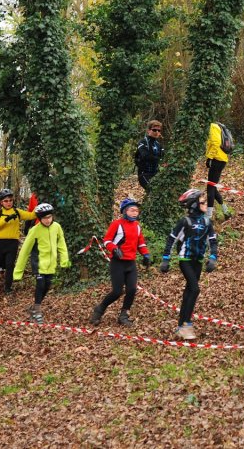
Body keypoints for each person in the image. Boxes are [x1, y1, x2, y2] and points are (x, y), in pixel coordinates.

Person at [159, 189, 218, 340]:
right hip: (185, 260)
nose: (206, 204)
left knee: (189, 292)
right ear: (194, 205)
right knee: (195, 289)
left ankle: (180, 326)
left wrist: (212, 258)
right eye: (203, 202)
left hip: (198, 261)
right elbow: (171, 239)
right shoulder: (185, 221)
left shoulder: (207, 222)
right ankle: (187, 324)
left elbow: (213, 240)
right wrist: (166, 259)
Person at [89, 198, 152, 327]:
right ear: (124, 211)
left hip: (131, 263)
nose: (135, 213)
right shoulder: (117, 224)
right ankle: (99, 309)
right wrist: (114, 248)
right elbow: (107, 240)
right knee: (117, 291)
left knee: (132, 289)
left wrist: (146, 255)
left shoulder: (137, 226)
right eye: (132, 210)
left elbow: (141, 243)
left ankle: (124, 315)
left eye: (136, 210)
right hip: (117, 263)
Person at [13, 203, 70, 324]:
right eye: (44, 218)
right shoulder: (34, 230)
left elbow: (62, 244)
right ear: (39, 219)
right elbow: (24, 251)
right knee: (40, 284)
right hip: (38, 263)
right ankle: (37, 311)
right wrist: (18, 272)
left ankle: (34, 307)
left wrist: (64, 259)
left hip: (51, 265)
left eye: (49, 217)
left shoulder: (57, 227)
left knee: (47, 286)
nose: (48, 220)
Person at [0, 189, 37, 294]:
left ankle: (8, 288)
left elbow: (31, 215)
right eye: (6, 201)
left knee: (10, 265)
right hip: (0, 242)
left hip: (12, 243)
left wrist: (39, 208)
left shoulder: (17, 211)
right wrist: (6, 219)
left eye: (10, 200)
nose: (8, 203)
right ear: (1, 202)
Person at [205, 123, 232, 219]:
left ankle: (208, 216)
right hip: (222, 159)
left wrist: (210, 158)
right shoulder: (218, 126)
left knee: (210, 187)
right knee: (213, 186)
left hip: (217, 159)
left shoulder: (213, 126)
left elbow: (216, 143)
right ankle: (226, 211)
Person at [134, 120, 165, 191]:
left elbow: (164, 157)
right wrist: (159, 159)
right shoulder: (142, 142)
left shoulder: (158, 144)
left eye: (159, 130)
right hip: (144, 174)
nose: (157, 132)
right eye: (154, 130)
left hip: (156, 174)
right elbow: (145, 156)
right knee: (153, 190)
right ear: (148, 131)